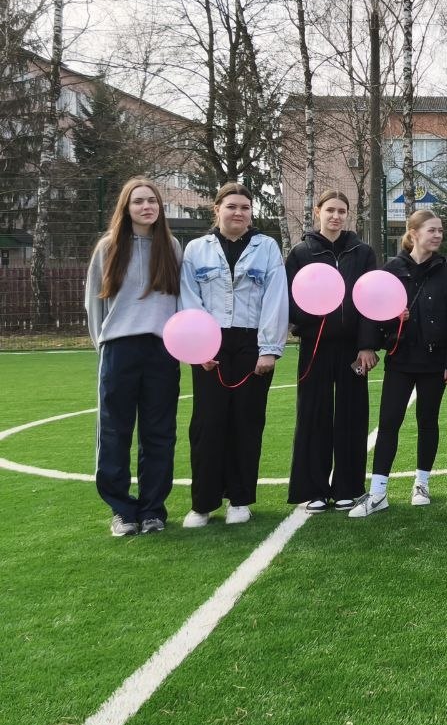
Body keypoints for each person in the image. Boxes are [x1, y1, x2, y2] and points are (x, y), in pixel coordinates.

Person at [179, 182, 289, 527]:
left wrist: (269, 350)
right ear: (217, 210)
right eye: (231, 206)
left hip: (251, 344)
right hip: (210, 345)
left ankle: (240, 500)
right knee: (207, 424)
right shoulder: (196, 249)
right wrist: (199, 348)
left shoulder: (266, 247)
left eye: (245, 207)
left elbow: (275, 299)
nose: (238, 213)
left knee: (247, 422)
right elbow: (188, 298)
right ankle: (203, 503)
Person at [85, 177, 184, 537]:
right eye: (139, 201)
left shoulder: (171, 246)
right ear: (126, 208)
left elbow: (179, 299)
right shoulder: (108, 247)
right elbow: (94, 303)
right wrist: (104, 345)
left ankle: (152, 509)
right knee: (114, 431)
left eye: (152, 201)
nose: (147, 207)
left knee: (159, 433)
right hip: (119, 349)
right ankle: (122, 510)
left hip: (161, 351)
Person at [349, 209, 447, 517]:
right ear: (413, 234)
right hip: (400, 360)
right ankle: (378, 493)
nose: (438, 235)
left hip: (435, 362)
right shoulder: (391, 270)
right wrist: (391, 321)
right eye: (431, 230)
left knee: (428, 421)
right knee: (389, 423)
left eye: (440, 230)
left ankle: (421, 484)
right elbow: (373, 313)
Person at [284, 190, 380, 514]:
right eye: (330, 210)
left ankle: (347, 488)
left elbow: (370, 301)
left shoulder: (362, 252)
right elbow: (290, 299)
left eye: (342, 211)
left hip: (352, 349)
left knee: (352, 416)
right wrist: (309, 318)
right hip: (315, 347)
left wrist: (367, 344)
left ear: (347, 215)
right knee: (313, 415)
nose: (336, 216)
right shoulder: (301, 253)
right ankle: (313, 489)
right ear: (318, 212)